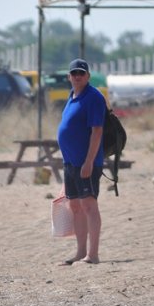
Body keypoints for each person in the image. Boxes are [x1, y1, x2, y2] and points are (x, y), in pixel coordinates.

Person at [57, 58, 104, 265]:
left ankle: (93, 255)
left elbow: (97, 131)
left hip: (86, 162)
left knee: (89, 205)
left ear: (88, 76)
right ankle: (80, 252)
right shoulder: (72, 95)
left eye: (81, 73)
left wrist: (89, 162)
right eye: (74, 73)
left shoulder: (93, 97)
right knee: (75, 206)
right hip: (70, 162)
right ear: (69, 76)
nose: (77, 76)